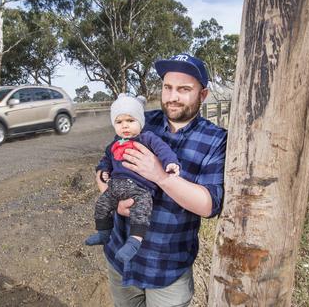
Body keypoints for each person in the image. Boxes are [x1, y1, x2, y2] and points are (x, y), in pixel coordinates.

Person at [94, 54, 227, 307]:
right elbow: (104, 165)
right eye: (168, 87)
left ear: (203, 94)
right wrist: (110, 195)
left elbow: (209, 204)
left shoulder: (216, 139)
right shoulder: (141, 122)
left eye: (184, 89)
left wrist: (159, 175)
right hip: (120, 258)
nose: (172, 96)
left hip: (167, 267)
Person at [85, 93, 181, 264]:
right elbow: (105, 159)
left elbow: (163, 150)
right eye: (119, 122)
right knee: (102, 204)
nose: (125, 126)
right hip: (115, 187)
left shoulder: (147, 138)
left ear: (140, 122)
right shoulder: (115, 143)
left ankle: (134, 242)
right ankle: (103, 233)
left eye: (130, 121)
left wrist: (171, 162)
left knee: (141, 211)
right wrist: (103, 171)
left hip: (141, 188)